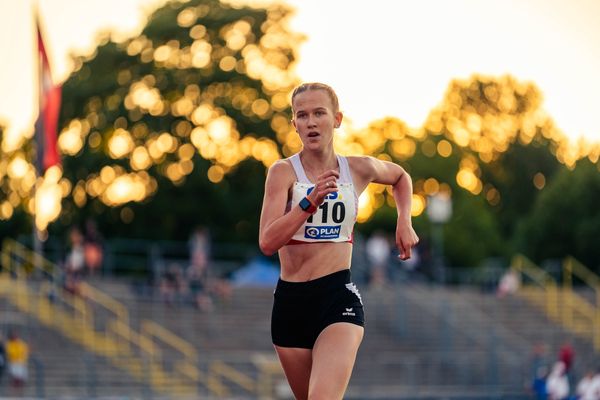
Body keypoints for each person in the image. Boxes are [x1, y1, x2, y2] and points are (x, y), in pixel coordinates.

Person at [259, 82, 419, 399]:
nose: (311, 122)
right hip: (291, 303)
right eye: (302, 116)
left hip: (337, 297)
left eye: (319, 113)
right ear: (294, 125)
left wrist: (405, 220)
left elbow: (400, 177)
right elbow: (267, 241)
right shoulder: (283, 173)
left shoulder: (357, 168)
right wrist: (309, 202)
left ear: (337, 119)